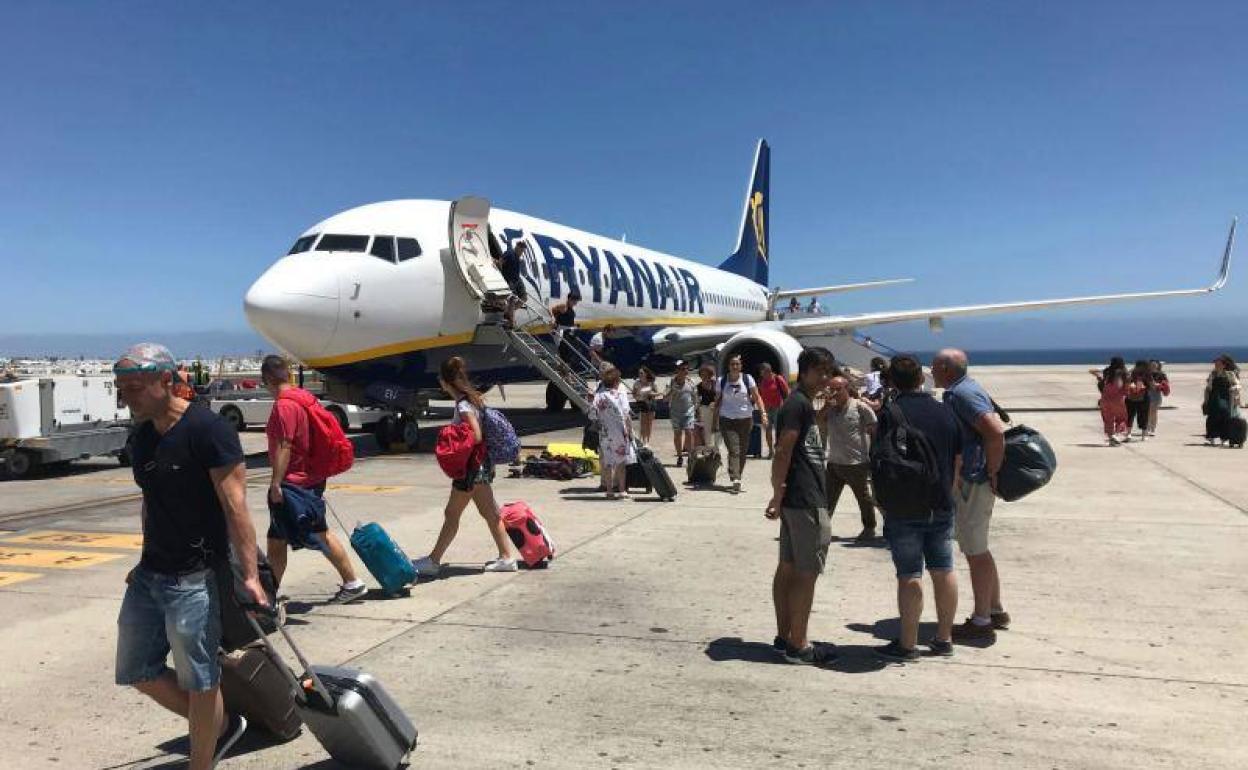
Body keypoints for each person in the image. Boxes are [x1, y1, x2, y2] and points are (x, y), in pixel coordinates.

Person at [112, 343, 267, 770]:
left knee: (200, 679)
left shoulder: (208, 430)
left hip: (195, 576)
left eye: (136, 388)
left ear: (167, 380)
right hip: (151, 573)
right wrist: (142, 559)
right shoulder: (142, 436)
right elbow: (152, 501)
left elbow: (236, 505)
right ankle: (217, 725)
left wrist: (251, 576)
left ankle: (202, 761)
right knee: (136, 669)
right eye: (121, 389)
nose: (128, 398)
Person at [871, 355, 963, 662]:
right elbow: (957, 459)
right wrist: (949, 493)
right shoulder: (945, 411)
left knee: (909, 574)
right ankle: (944, 638)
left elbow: (879, 461)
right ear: (921, 379)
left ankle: (907, 645)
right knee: (943, 569)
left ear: (893, 382)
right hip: (941, 502)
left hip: (904, 506)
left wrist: (881, 501)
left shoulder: (891, 412)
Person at [260, 355, 367, 604]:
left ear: (267, 379)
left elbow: (285, 445)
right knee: (279, 539)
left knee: (315, 534)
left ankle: (352, 582)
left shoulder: (285, 405)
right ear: (288, 375)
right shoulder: (305, 398)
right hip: (311, 478)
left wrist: (276, 482)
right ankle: (269, 595)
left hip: (294, 483)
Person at [412, 357, 518, 576]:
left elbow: (476, 434)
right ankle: (507, 557)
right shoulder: (473, 399)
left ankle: (433, 561)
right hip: (481, 465)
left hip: (471, 469)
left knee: (452, 514)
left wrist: (452, 435)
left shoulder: (463, 404)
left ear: (444, 382)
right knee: (491, 513)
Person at [766, 346, 838, 665]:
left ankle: (785, 636)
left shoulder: (802, 404)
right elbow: (784, 450)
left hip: (797, 498)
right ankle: (799, 643)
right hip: (805, 498)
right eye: (819, 371)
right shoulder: (797, 404)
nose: (825, 377)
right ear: (804, 371)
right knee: (807, 573)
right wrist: (777, 493)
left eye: (828, 371)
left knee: (789, 568)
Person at [931, 348, 1008, 641]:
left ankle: (981, 620)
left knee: (975, 551)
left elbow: (995, 432)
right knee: (979, 549)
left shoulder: (962, 394)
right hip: (976, 478)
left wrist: (992, 472)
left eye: (935, 366)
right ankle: (995, 609)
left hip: (974, 480)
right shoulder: (963, 389)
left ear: (947, 369)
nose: (932, 370)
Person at [818, 375, 879, 541]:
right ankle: (821, 529)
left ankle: (869, 528)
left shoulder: (859, 407)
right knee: (827, 499)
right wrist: (825, 407)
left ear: (847, 388)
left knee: (863, 499)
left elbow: (874, 429)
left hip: (856, 463)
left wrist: (873, 454)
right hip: (834, 462)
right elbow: (816, 422)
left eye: (838, 389)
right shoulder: (829, 409)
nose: (834, 393)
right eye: (831, 389)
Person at [712, 355, 768, 494]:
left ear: (741, 366)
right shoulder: (721, 381)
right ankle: (735, 478)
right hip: (727, 419)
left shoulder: (747, 379)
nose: (735, 366)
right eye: (732, 364)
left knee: (743, 451)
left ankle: (738, 475)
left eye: (737, 364)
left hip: (745, 419)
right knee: (734, 449)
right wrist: (715, 421)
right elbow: (718, 401)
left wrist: (763, 413)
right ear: (729, 366)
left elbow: (757, 396)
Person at [590, 363, 636, 498]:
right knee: (621, 462)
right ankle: (622, 489)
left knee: (608, 462)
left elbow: (592, 414)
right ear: (616, 381)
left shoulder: (598, 396)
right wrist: (629, 430)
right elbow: (626, 413)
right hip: (619, 432)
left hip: (604, 433)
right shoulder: (619, 394)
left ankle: (609, 490)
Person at [1203, 354, 1242, 445]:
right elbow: (1208, 388)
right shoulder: (1213, 374)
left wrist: (1234, 388)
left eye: (1218, 364)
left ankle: (1224, 438)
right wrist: (1205, 401)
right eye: (1215, 364)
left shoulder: (1230, 374)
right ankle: (1212, 437)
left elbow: (1238, 385)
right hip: (1213, 399)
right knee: (1212, 418)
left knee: (1225, 416)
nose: (1216, 366)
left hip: (1226, 399)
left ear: (1224, 365)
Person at [666, 361, 697, 466]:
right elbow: (664, 398)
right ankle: (679, 456)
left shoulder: (691, 382)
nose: (685, 371)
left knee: (689, 432)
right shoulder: (671, 382)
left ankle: (690, 456)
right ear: (677, 371)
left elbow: (695, 397)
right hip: (675, 413)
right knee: (678, 434)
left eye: (687, 369)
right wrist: (671, 391)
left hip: (688, 411)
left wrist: (696, 409)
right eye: (682, 369)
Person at [756, 363, 790, 459]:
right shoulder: (762, 381)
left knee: (779, 431)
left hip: (778, 408)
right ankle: (771, 451)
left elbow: (787, 392)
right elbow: (759, 393)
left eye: (762, 372)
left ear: (768, 371)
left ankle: (780, 451)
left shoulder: (778, 379)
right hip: (766, 409)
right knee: (767, 430)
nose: (761, 374)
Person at [494, 239, 529, 327]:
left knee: (524, 298)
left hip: (517, 279)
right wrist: (502, 275)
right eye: (521, 250)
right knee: (512, 300)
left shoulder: (518, 257)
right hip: (510, 280)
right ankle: (511, 319)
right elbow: (500, 262)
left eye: (523, 251)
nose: (522, 252)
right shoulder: (509, 253)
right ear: (517, 247)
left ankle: (508, 313)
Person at [1091, 364, 1129, 445]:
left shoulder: (1103, 382)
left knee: (1108, 420)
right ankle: (1116, 435)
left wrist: (1100, 371)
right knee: (1121, 418)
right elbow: (1126, 392)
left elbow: (1092, 371)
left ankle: (1111, 437)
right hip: (1118, 402)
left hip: (1104, 402)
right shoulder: (1120, 381)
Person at [550, 292, 582, 365]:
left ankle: (565, 372)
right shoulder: (564, 306)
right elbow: (551, 309)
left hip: (567, 332)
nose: (576, 303)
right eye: (575, 301)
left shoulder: (570, 308)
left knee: (568, 354)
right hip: (561, 331)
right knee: (564, 354)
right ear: (570, 299)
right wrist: (553, 319)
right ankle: (564, 372)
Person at [1124, 360, 1151, 442]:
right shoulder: (1147, 374)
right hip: (1144, 398)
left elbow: (1126, 382)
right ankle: (1143, 435)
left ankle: (1129, 434)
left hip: (1130, 398)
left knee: (1130, 415)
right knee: (1144, 416)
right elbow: (1151, 386)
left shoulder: (1132, 373)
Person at [632, 366, 657, 447]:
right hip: (641, 403)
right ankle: (643, 440)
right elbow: (634, 394)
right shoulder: (637, 383)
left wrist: (649, 394)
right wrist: (638, 396)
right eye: (639, 373)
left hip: (650, 403)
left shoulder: (651, 382)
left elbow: (656, 393)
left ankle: (648, 441)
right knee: (643, 423)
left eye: (642, 373)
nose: (640, 375)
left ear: (646, 373)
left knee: (649, 423)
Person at [695, 364, 719, 449]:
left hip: (716, 410)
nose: (704, 377)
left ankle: (718, 449)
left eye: (707, 375)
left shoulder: (716, 384)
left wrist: (715, 403)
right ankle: (709, 449)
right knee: (707, 432)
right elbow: (697, 401)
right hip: (705, 410)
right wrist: (697, 413)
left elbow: (720, 396)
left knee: (717, 430)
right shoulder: (698, 387)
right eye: (702, 375)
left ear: (711, 375)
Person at [1146, 360, 1170, 436]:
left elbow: (1166, 383)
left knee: (1154, 412)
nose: (1153, 366)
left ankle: (1153, 428)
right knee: (1148, 412)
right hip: (1147, 394)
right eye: (1152, 365)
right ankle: (1148, 427)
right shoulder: (1146, 374)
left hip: (1156, 394)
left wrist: (1159, 385)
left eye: (1154, 365)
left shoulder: (1161, 374)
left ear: (1157, 365)